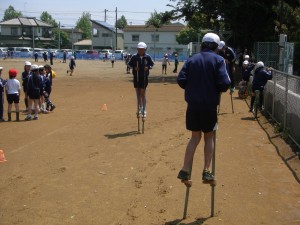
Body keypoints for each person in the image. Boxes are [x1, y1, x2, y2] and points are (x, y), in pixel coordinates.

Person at [176, 33, 231, 183]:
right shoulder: (219, 60)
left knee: (194, 137)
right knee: (209, 137)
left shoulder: (192, 59)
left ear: (202, 45)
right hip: (209, 106)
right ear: (216, 47)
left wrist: (193, 88)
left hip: (193, 105)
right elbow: (225, 83)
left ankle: (185, 169)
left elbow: (181, 79)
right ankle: (206, 171)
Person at [128, 42, 154, 119]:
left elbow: (152, 64)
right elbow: (129, 64)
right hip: (136, 77)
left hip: (144, 77)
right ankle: (139, 108)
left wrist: (148, 67)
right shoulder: (134, 57)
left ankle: (144, 109)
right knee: (138, 94)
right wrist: (134, 68)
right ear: (137, 49)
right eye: (139, 49)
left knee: (143, 94)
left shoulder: (147, 57)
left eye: (142, 49)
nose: (140, 51)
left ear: (145, 49)